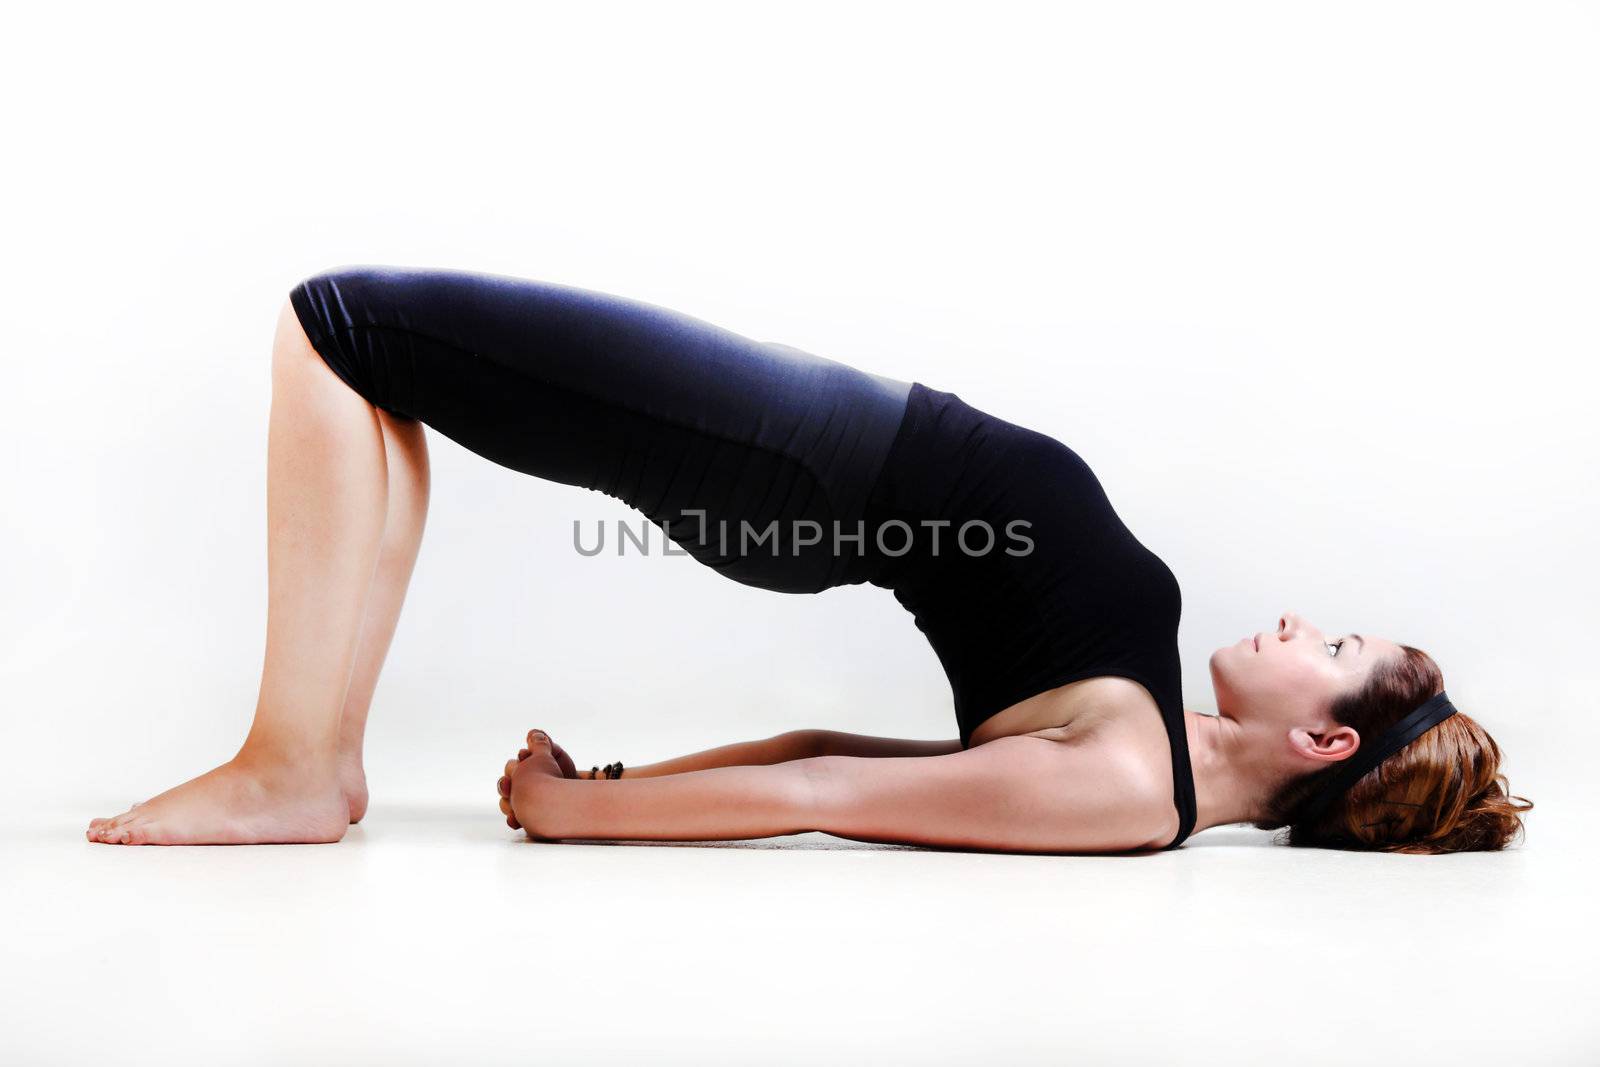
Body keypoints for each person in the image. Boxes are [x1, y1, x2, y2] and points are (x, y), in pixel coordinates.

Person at [87, 266, 1533, 853]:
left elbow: (827, 795)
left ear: (1326, 734)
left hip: (796, 472)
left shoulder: (1123, 786)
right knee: (381, 372)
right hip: (810, 449)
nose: (1298, 621)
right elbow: (845, 742)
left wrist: (573, 822)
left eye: (1330, 645)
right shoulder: (1146, 735)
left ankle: (290, 768)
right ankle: (316, 761)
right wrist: (621, 779)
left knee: (339, 325)